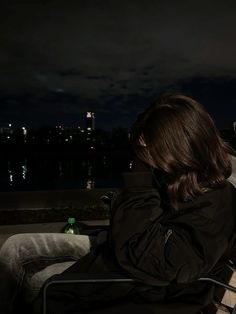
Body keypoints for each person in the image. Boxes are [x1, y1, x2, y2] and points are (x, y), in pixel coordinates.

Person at [1, 93, 236, 314]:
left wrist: (140, 174)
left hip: (138, 276)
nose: (146, 156)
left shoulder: (214, 205)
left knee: (43, 284)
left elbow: (154, 264)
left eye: (150, 148)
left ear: (177, 148)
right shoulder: (176, 175)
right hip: (115, 246)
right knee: (16, 247)